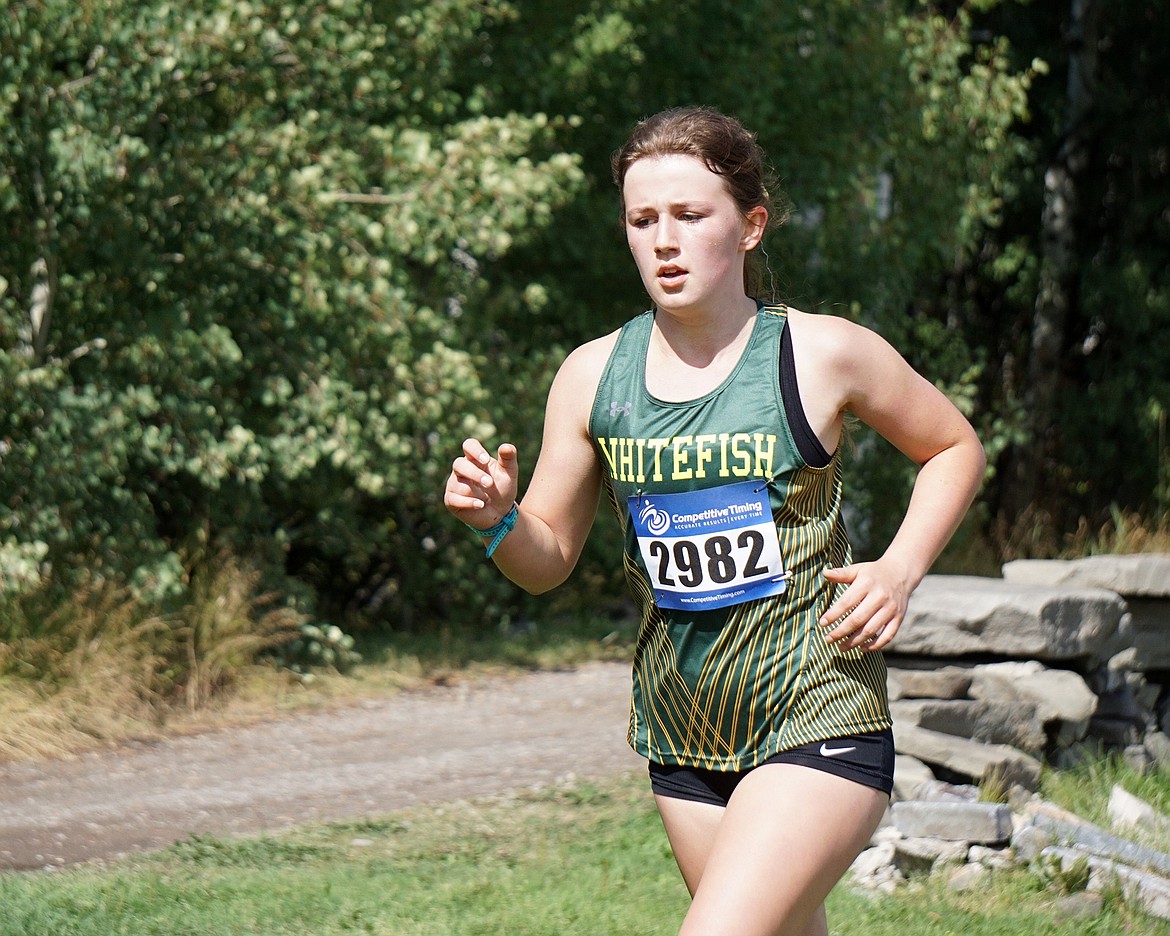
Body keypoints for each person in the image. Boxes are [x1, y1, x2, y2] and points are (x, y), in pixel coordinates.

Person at [443, 105, 986, 936]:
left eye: (690, 216)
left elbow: (953, 446)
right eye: (642, 219)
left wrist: (898, 568)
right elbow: (545, 557)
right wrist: (496, 520)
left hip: (818, 711)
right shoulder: (592, 375)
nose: (664, 239)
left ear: (750, 226)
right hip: (683, 731)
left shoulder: (820, 352)